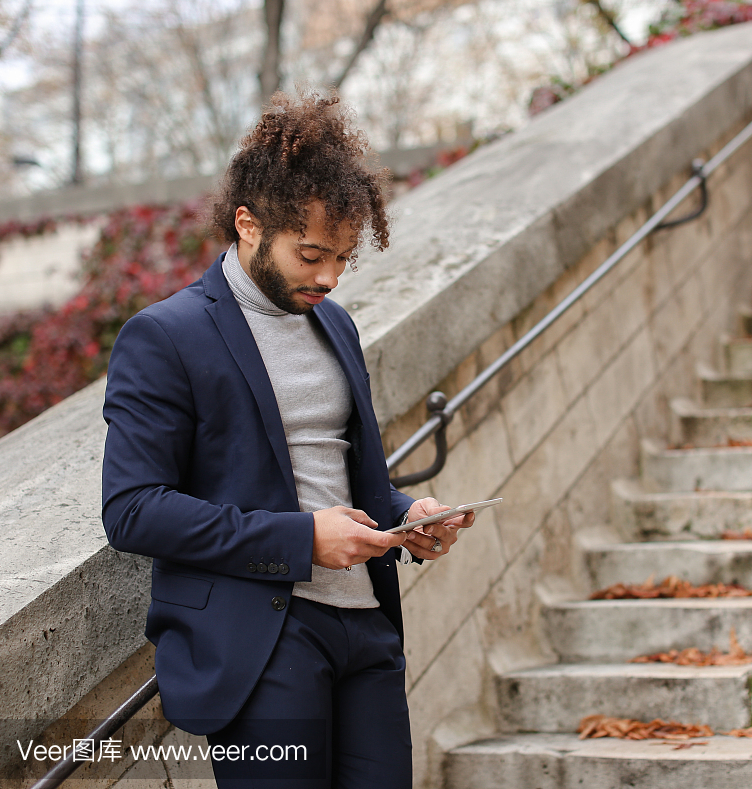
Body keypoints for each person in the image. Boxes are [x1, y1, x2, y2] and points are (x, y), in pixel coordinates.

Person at [100, 90, 473, 788]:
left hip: (366, 627)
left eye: (342, 258)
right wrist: (300, 541)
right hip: (262, 641)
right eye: (311, 255)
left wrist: (405, 515)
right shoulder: (165, 337)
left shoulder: (335, 327)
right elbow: (133, 510)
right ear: (247, 224)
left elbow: (344, 480)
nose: (329, 277)